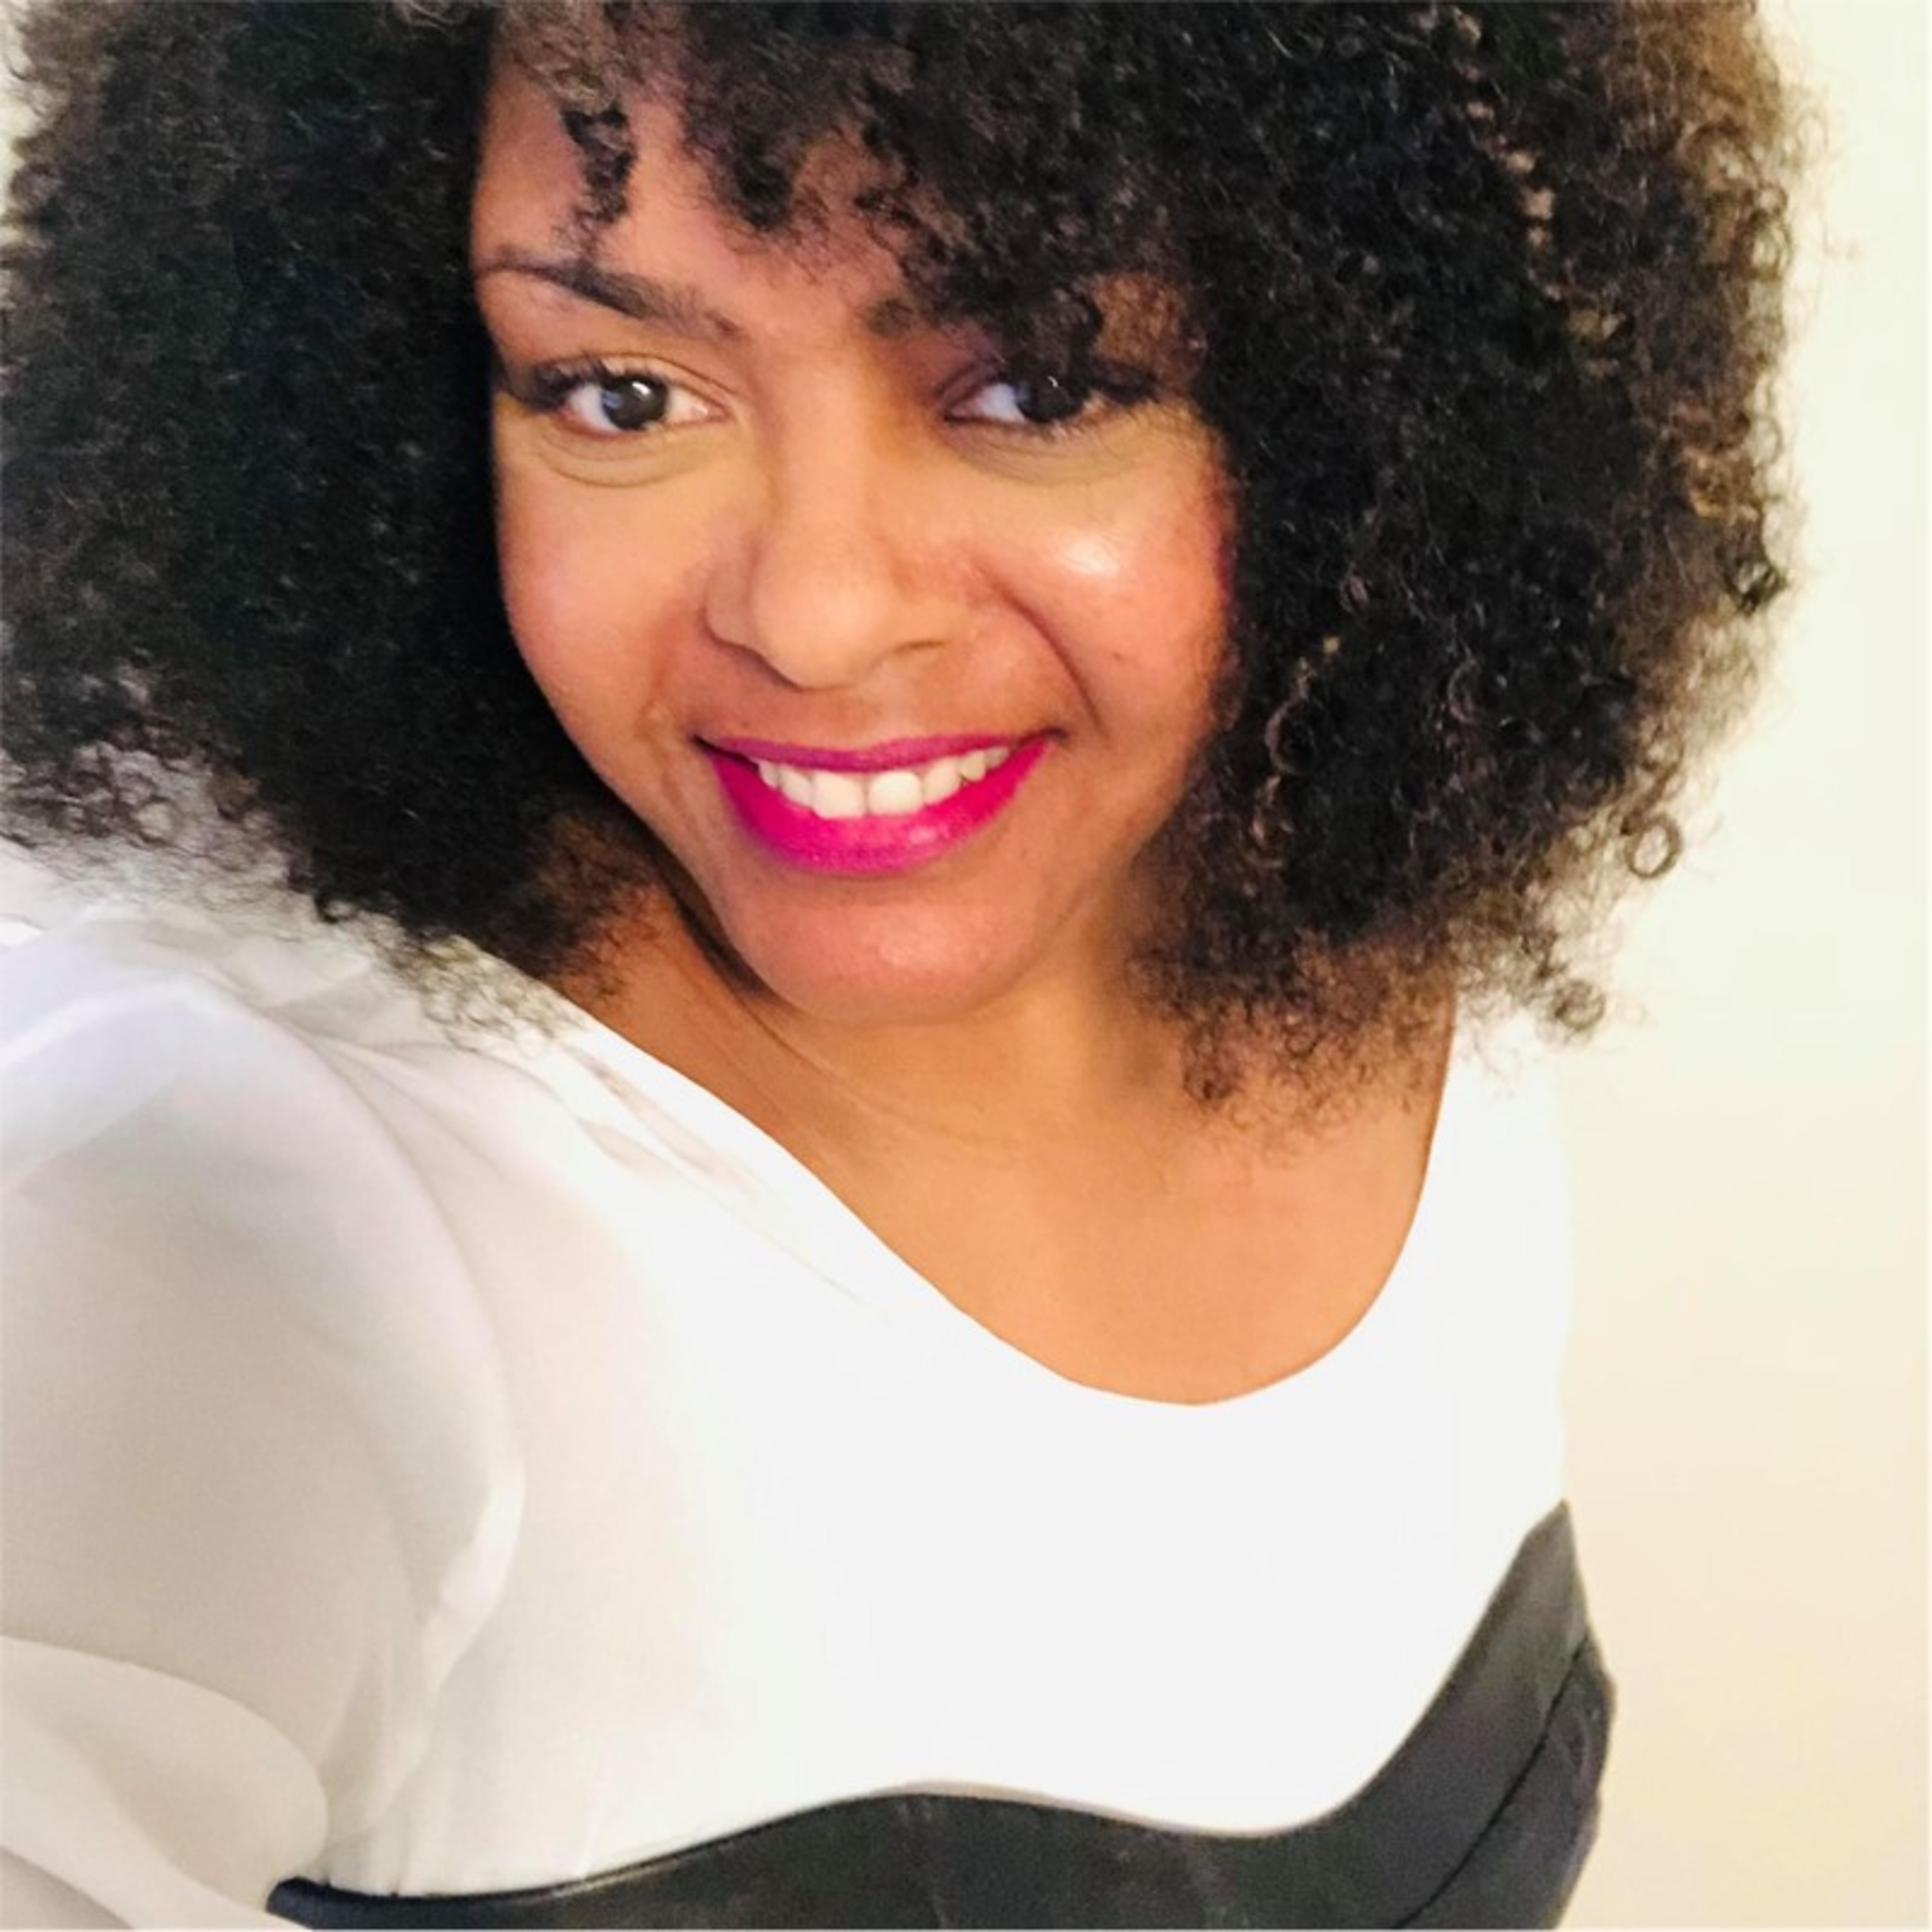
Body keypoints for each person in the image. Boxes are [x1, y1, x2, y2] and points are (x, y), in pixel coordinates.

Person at [0, 4, 1794, 1926]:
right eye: (621, 395)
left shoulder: (1374, 935)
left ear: (1354, 415)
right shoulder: (211, 1197)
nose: (817, 617)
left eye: (1034, 386)